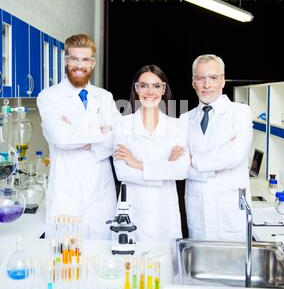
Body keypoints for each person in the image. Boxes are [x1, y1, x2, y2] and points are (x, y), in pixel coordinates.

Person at [37, 34, 121, 238]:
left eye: (85, 60)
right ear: (66, 61)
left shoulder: (104, 97)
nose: (79, 65)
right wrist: (99, 132)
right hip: (67, 196)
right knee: (65, 262)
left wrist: (86, 142)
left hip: (101, 195)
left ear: (92, 63)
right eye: (74, 59)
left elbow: (117, 138)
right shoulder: (49, 96)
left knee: (101, 262)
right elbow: (61, 137)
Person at [113, 65, 190, 242]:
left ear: (163, 89)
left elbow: (180, 171)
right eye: (144, 85)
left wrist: (137, 163)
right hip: (133, 208)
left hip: (165, 212)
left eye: (156, 86)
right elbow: (122, 172)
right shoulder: (122, 125)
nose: (150, 91)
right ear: (136, 88)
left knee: (166, 264)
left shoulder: (176, 125)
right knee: (131, 264)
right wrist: (165, 167)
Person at [181, 54, 253, 241]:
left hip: (230, 214)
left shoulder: (240, 112)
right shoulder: (184, 120)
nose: (207, 85)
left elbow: (235, 154)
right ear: (193, 82)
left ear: (222, 80)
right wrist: (217, 165)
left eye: (213, 78)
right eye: (201, 78)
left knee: (234, 266)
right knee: (201, 266)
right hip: (199, 213)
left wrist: (194, 160)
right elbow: (179, 166)